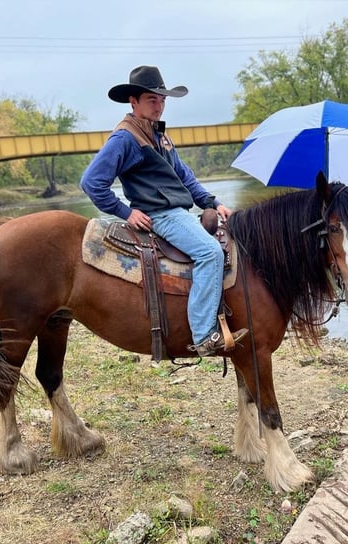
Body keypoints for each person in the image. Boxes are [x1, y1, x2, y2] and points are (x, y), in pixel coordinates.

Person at [80, 65, 247, 357]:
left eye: (162, 100)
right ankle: (204, 334)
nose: (159, 106)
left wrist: (214, 203)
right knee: (210, 252)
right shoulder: (125, 138)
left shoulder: (161, 137)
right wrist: (125, 212)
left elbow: (186, 178)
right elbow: (92, 182)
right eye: (151, 100)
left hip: (178, 212)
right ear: (133, 102)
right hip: (161, 215)